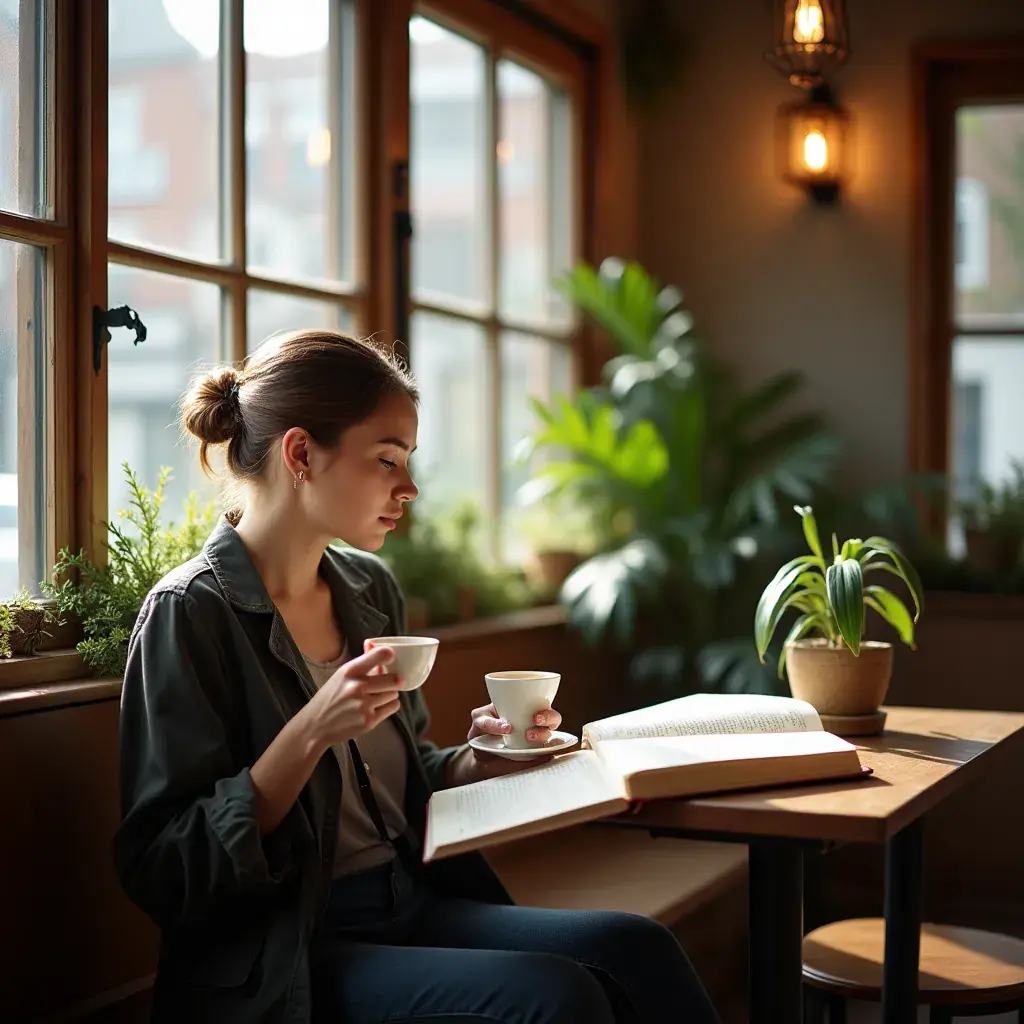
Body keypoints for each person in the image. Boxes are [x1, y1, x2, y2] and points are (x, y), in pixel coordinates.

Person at [113, 329, 721, 1024]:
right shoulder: (190, 612)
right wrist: (309, 732)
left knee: (637, 948)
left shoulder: (368, 589)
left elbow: (405, 786)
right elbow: (164, 867)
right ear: (301, 454)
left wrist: (481, 757)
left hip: (409, 900)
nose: (409, 488)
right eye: (387, 460)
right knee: (558, 994)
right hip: (290, 950)